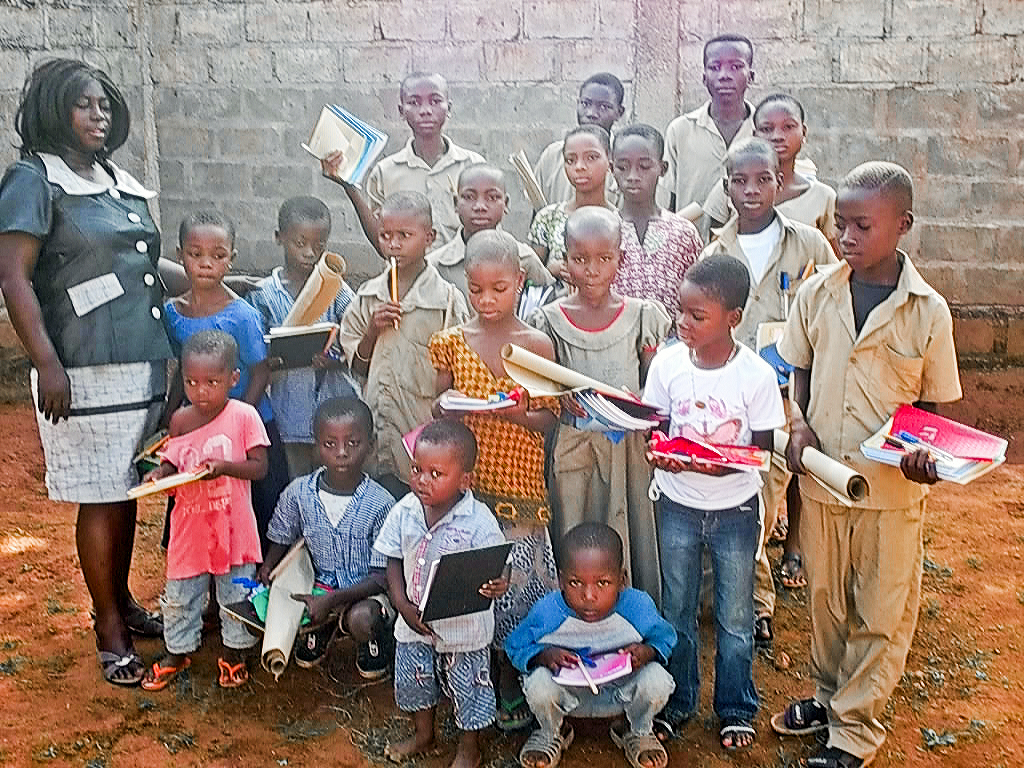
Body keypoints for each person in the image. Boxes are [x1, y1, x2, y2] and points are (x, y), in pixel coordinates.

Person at [772, 162, 961, 768]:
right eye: (840, 225)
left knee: (879, 610)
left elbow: (929, 409)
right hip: (826, 482)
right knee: (826, 606)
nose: (847, 237)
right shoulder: (817, 292)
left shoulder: (927, 311)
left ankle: (854, 732)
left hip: (889, 494)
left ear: (903, 226)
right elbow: (795, 368)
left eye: (862, 226)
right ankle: (830, 700)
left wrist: (920, 458)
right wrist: (797, 425)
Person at [0, 59, 173, 685]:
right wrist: (46, 362)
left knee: (126, 490)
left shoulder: (111, 180)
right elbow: (13, 275)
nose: (99, 116)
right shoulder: (32, 180)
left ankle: (123, 599)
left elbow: (146, 269)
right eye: (83, 105)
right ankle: (108, 625)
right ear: (53, 110)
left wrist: (225, 287)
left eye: (104, 105)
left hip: (140, 360)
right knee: (100, 496)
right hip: (82, 365)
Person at [642, 254, 786, 751]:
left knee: (736, 617)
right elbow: (658, 432)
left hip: (736, 512)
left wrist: (715, 465)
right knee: (676, 610)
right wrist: (661, 455)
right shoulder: (666, 364)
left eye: (697, 316)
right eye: (680, 311)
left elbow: (762, 452)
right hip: (677, 504)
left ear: (733, 319)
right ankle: (678, 704)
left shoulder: (756, 376)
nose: (683, 323)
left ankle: (735, 707)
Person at [698, 137, 836, 646]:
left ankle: (756, 605)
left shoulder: (810, 246)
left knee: (763, 498)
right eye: (739, 180)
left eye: (763, 179)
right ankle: (729, 596)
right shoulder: (714, 251)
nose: (751, 190)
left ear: (781, 182)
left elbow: (828, 317)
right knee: (727, 495)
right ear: (726, 185)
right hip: (725, 396)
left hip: (781, 397)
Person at [430, 229, 561, 731]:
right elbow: (440, 413)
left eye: (499, 289)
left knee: (515, 587)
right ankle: (470, 681)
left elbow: (548, 419)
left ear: (521, 282)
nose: (486, 300)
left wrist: (513, 414)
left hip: (520, 485)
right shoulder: (452, 342)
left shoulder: (535, 344)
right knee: (471, 584)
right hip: (469, 485)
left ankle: (513, 675)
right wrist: (445, 408)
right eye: (476, 289)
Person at [528, 207, 671, 603]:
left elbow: (654, 386)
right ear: (565, 260)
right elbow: (544, 388)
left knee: (631, 532)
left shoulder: (643, 316)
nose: (592, 270)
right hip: (573, 449)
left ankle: (634, 620)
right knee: (574, 528)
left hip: (629, 452)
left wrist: (636, 403)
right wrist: (563, 399)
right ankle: (574, 623)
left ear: (620, 259)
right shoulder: (548, 322)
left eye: (604, 258)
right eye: (580, 259)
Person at [372, 419, 507, 768]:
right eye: (418, 469)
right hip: (412, 619)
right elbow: (391, 559)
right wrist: (401, 604)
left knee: (469, 686)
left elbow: (497, 563)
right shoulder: (404, 511)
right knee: (416, 680)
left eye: (436, 473)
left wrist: (500, 581)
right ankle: (423, 733)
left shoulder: (479, 520)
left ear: (465, 481)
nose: (422, 480)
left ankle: (469, 748)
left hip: (464, 627)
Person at [140, 331, 269, 691]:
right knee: (181, 594)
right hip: (190, 528)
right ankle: (176, 652)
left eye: (212, 382)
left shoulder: (244, 416)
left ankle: (233, 652)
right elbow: (172, 462)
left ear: (233, 379)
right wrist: (159, 474)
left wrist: (226, 467)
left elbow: (260, 467)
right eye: (191, 382)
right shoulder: (180, 421)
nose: (201, 392)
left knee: (236, 593)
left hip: (234, 526)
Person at [161, 209, 289, 548]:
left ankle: (247, 590)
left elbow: (260, 371)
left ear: (230, 259)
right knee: (199, 508)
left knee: (252, 516)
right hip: (198, 424)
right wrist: (170, 411)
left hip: (248, 427)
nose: (206, 264)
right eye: (195, 254)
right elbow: (181, 368)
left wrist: (235, 420)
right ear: (180, 256)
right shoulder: (173, 313)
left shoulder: (241, 316)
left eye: (217, 256)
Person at [507, 522, 676, 768]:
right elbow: (515, 646)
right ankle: (553, 731)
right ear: (562, 580)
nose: (589, 595)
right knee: (538, 683)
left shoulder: (637, 607)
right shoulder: (548, 611)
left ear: (622, 580)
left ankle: (636, 729)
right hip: (568, 699)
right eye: (576, 583)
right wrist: (542, 656)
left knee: (657, 679)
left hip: (620, 695)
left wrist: (648, 652)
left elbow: (666, 639)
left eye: (603, 583)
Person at [340, 191, 470, 499]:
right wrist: (372, 330)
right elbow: (357, 367)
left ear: (430, 237)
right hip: (377, 432)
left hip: (421, 436)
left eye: (404, 235)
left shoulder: (447, 301)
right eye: (385, 236)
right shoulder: (368, 296)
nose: (394, 244)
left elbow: (459, 373)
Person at [259, 397, 396, 678]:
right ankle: (321, 628)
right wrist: (268, 567)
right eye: (330, 444)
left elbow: (381, 577)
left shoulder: (381, 503)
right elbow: (282, 534)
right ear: (316, 447)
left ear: (369, 446)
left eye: (353, 443)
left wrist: (332, 601)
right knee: (279, 603)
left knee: (362, 620)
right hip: (317, 587)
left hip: (366, 592)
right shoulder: (299, 493)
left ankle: (373, 639)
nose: (341, 453)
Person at [245, 196, 359, 479]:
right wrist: (272, 358)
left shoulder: (335, 288)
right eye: (300, 243)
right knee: (296, 484)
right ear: (279, 238)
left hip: (335, 410)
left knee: (337, 479)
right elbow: (257, 347)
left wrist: (333, 357)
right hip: (289, 413)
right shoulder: (263, 294)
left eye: (319, 246)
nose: (310, 253)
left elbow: (356, 331)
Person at [322, 72, 484, 252]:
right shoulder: (386, 172)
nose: (425, 110)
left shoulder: (472, 166)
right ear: (401, 111)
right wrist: (349, 186)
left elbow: (488, 234)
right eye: (414, 102)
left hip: (463, 275)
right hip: (406, 278)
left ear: (449, 108)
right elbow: (382, 243)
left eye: (435, 101)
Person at [703, 93, 839, 252]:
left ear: (804, 132)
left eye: (788, 127)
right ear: (755, 135)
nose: (777, 136)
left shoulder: (823, 197)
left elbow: (835, 265)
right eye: (767, 129)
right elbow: (713, 249)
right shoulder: (728, 189)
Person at [658, 34, 756, 242]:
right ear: (704, 78)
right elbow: (668, 201)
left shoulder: (763, 132)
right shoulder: (681, 130)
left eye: (736, 67)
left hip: (750, 248)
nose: (724, 75)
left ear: (751, 76)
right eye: (715, 67)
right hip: (691, 251)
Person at [611, 123, 703, 314]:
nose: (633, 176)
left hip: (674, 341)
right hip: (614, 338)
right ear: (611, 168)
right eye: (622, 167)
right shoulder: (603, 230)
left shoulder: (683, 233)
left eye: (644, 167)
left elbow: (699, 294)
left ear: (663, 168)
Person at [428, 163, 553, 301]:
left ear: (506, 204)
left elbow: (551, 303)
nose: (480, 206)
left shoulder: (525, 259)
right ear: (456, 203)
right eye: (469, 197)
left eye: (492, 198)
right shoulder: (436, 266)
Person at [528, 125, 616, 285]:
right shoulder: (548, 218)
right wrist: (550, 271)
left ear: (610, 162)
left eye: (591, 158)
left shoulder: (619, 221)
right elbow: (529, 278)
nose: (579, 167)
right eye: (571, 160)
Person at [533, 72, 625, 206]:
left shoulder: (622, 160)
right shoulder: (552, 155)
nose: (591, 113)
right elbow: (537, 212)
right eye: (585, 104)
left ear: (619, 113)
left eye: (604, 107)